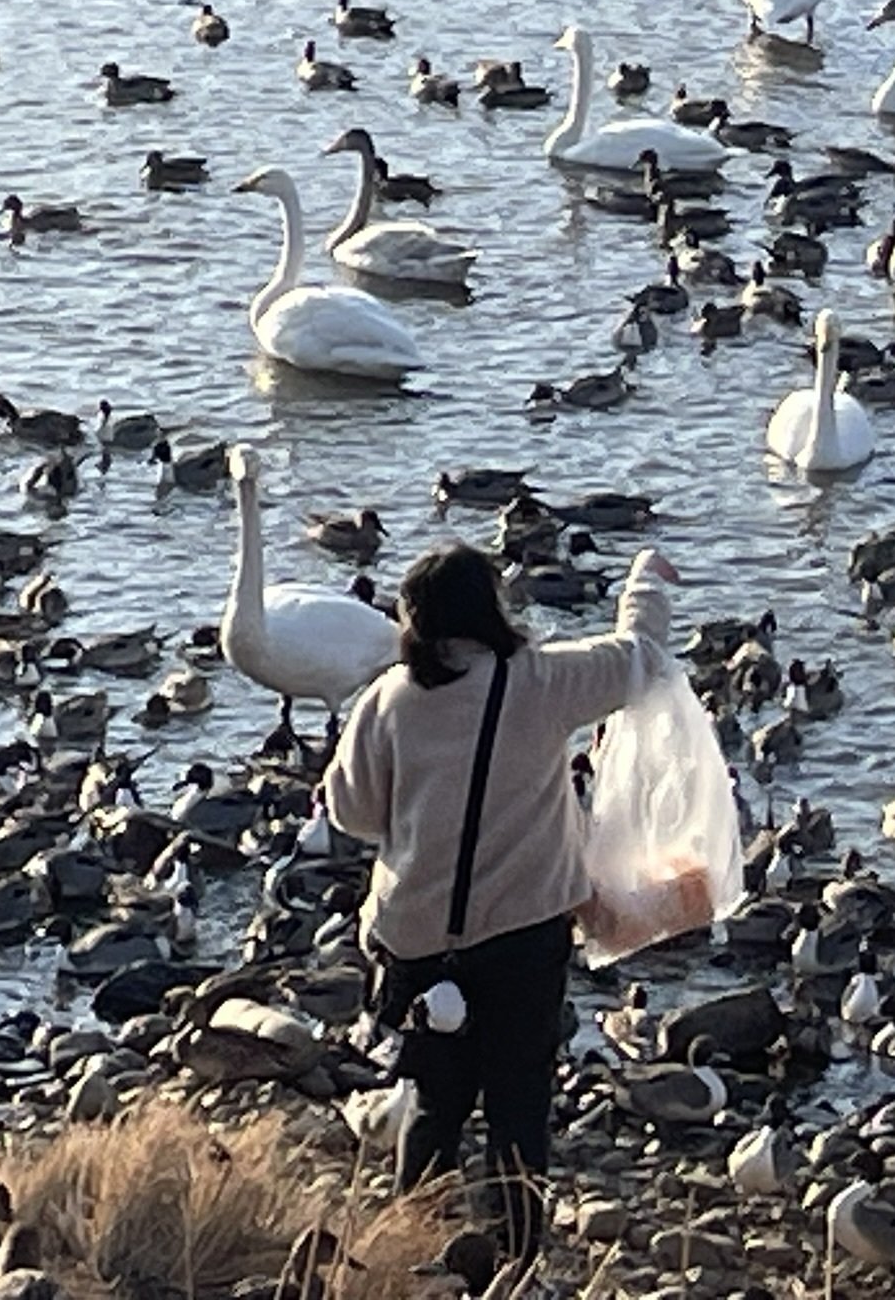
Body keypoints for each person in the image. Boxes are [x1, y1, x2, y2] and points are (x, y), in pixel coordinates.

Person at [324, 541, 674, 1262]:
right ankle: (514, 1257)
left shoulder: (386, 699)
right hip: (522, 934)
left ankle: (413, 1247)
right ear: (492, 607)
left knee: (434, 1101)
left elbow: (351, 812)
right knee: (519, 1103)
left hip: (416, 940)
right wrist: (642, 583)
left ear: (413, 619)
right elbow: (640, 659)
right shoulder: (540, 681)